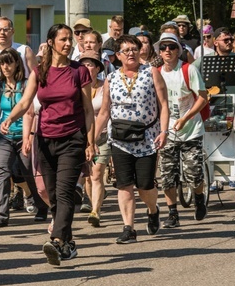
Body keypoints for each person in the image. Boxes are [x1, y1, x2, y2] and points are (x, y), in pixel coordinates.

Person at [0, 24, 95, 265]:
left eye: (69, 40)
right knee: (52, 195)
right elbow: (25, 101)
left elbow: (88, 109)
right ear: (51, 42)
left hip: (72, 138)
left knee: (64, 192)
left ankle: (56, 240)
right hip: (45, 139)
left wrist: (90, 141)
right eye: (63, 40)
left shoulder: (79, 71)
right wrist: (10, 118)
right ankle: (69, 244)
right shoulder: (39, 71)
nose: (68, 44)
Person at [95, 35, 169, 241]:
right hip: (120, 138)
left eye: (134, 49)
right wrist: (92, 138)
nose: (131, 53)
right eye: (126, 50)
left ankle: (153, 210)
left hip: (147, 137)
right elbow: (104, 111)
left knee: (145, 185)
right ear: (118, 55)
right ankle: (128, 228)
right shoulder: (111, 78)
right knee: (124, 184)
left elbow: (164, 105)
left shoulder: (151, 73)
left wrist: (164, 131)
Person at [151, 32, 206, 228]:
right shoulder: (156, 72)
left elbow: (202, 97)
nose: (168, 50)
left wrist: (185, 118)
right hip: (167, 131)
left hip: (190, 128)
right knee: (167, 175)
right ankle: (172, 213)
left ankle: (199, 198)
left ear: (178, 50)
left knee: (194, 172)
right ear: (159, 50)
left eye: (172, 47)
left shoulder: (188, 70)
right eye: (164, 47)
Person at [0, 47, 48, 228]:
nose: (5, 66)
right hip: (4, 137)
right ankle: (1, 213)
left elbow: (30, 111)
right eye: (2, 63)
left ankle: (41, 206)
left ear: (17, 63)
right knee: (1, 171)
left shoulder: (26, 84)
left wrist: (30, 136)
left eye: (9, 62)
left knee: (28, 171)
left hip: (25, 135)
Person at [80, 50, 110, 227]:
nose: (86, 67)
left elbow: (106, 112)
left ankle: (95, 212)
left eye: (90, 64)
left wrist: (95, 138)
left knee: (97, 174)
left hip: (102, 136)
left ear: (97, 68)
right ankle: (93, 205)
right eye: (83, 64)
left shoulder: (105, 85)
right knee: (88, 178)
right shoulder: (76, 86)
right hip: (82, 138)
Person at [0, 16, 37, 88]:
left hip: (21, 94)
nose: (2, 33)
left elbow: (36, 75)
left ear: (13, 31)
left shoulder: (24, 50)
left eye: (6, 30)